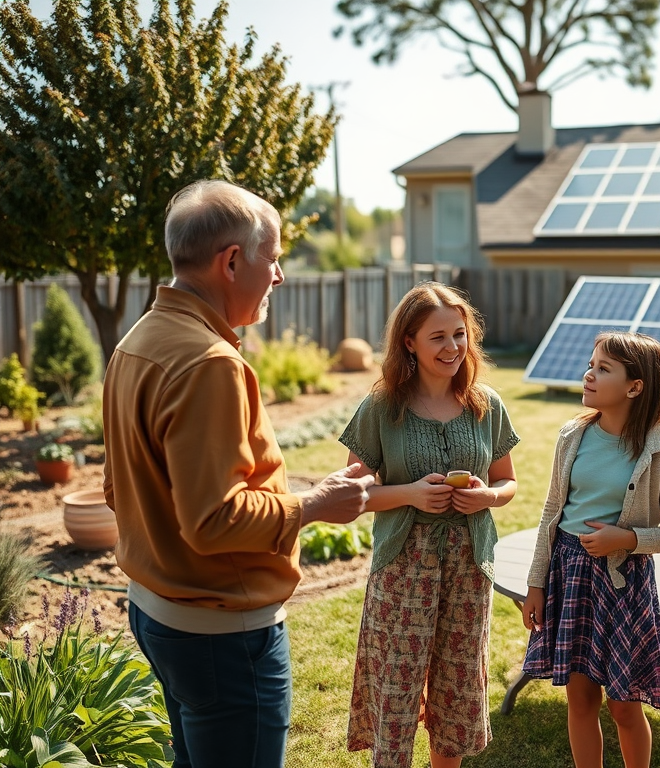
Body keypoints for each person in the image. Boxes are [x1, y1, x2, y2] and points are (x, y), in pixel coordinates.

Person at [102, 179, 375, 768]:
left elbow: (115, 487)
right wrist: (315, 503)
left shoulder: (137, 342)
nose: (278, 275)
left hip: (156, 609)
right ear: (231, 262)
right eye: (271, 258)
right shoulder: (209, 364)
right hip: (220, 633)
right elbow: (213, 521)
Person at [339, 281, 520, 768]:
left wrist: (486, 496)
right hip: (403, 568)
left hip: (469, 567)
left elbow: (508, 484)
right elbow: (350, 494)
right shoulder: (382, 407)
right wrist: (411, 494)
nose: (453, 347)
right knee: (397, 688)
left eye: (459, 335)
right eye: (438, 336)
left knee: (456, 689)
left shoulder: (486, 405)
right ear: (409, 342)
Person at [521, 331, 660, 768]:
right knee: (580, 700)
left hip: (622, 584)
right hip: (569, 576)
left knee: (623, 705)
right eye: (591, 363)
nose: (588, 374)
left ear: (635, 387)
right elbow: (550, 513)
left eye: (603, 369)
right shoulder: (571, 437)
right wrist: (536, 583)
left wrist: (628, 540)